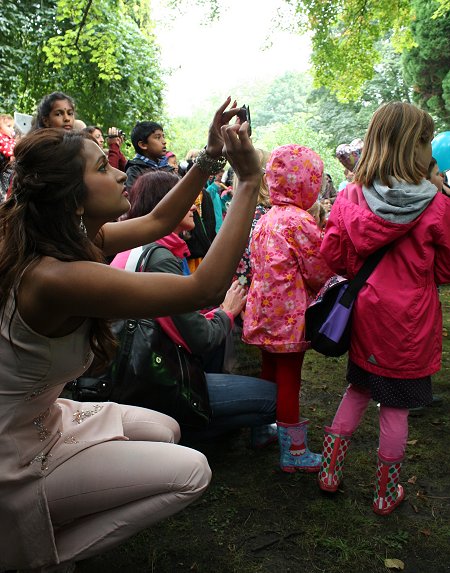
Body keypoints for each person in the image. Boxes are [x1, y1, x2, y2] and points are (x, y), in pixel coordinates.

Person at [0, 98, 262, 571]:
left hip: (42, 415)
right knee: (191, 472)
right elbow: (206, 286)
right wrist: (249, 181)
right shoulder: (57, 278)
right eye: (104, 167)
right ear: (72, 196)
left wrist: (210, 155)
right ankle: (39, 553)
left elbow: (159, 221)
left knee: (169, 428)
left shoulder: (69, 242)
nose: (121, 174)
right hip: (12, 451)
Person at [317, 102, 450, 515]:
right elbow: (445, 269)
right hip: (409, 322)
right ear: (414, 145)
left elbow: (333, 256)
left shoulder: (349, 195)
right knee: (395, 405)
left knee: (357, 389)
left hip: (366, 314)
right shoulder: (438, 204)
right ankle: (384, 491)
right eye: (426, 140)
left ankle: (329, 471)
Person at [110, 170, 277, 445]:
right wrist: (227, 311)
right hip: (151, 381)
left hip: (131, 374)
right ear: (164, 205)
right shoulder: (160, 258)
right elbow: (201, 339)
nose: (194, 204)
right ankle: (184, 433)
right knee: (272, 399)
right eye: (186, 198)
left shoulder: (138, 246)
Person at [243, 144, 332, 473]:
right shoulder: (301, 222)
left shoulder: (266, 219)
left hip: (263, 310)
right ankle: (294, 451)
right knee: (289, 379)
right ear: (307, 183)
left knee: (267, 373)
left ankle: (260, 429)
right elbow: (318, 270)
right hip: (289, 315)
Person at [125, 120, 172, 190]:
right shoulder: (135, 172)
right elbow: (133, 198)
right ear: (143, 145)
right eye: (158, 137)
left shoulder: (167, 168)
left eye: (163, 137)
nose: (164, 142)